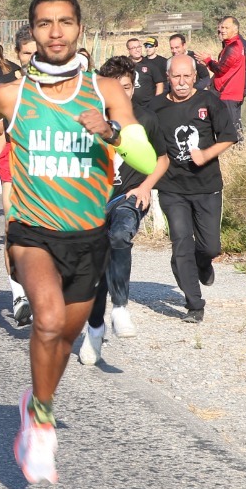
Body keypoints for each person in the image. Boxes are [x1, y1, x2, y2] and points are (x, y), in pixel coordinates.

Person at [0, 0, 158, 483]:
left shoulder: (107, 91)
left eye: (65, 22)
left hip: (89, 236)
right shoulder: (11, 95)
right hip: (32, 232)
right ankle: (41, 425)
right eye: (45, 23)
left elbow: (147, 161)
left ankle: (35, 403)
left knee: (63, 338)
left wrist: (110, 133)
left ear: (80, 29)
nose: (55, 31)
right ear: (32, 31)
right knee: (46, 320)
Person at [79, 57, 170, 361]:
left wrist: (145, 187)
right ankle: (93, 328)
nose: (121, 94)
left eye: (127, 88)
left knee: (120, 236)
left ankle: (119, 308)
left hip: (127, 197)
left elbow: (162, 159)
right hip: (92, 200)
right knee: (94, 270)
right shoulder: (89, 120)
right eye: (114, 89)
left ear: (134, 87)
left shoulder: (146, 119)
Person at [154, 53, 238, 323]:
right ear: (168, 77)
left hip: (207, 185)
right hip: (172, 187)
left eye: (186, 76)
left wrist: (206, 154)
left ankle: (202, 262)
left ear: (194, 77)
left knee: (210, 247)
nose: (181, 82)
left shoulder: (208, 100)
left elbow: (228, 137)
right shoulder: (155, 108)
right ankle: (194, 304)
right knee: (181, 242)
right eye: (175, 76)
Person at [202, 16, 246, 136]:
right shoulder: (230, 45)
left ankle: (239, 151)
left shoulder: (234, 46)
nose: (222, 30)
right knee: (229, 125)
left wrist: (207, 60)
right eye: (221, 28)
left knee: (234, 127)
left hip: (231, 93)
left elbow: (221, 69)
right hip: (229, 92)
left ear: (235, 30)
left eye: (226, 27)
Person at [124, 37, 166, 105]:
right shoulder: (124, 65)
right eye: (134, 48)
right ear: (128, 50)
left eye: (138, 47)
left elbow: (159, 83)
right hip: (129, 105)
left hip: (148, 106)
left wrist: (157, 101)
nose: (137, 50)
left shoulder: (150, 64)